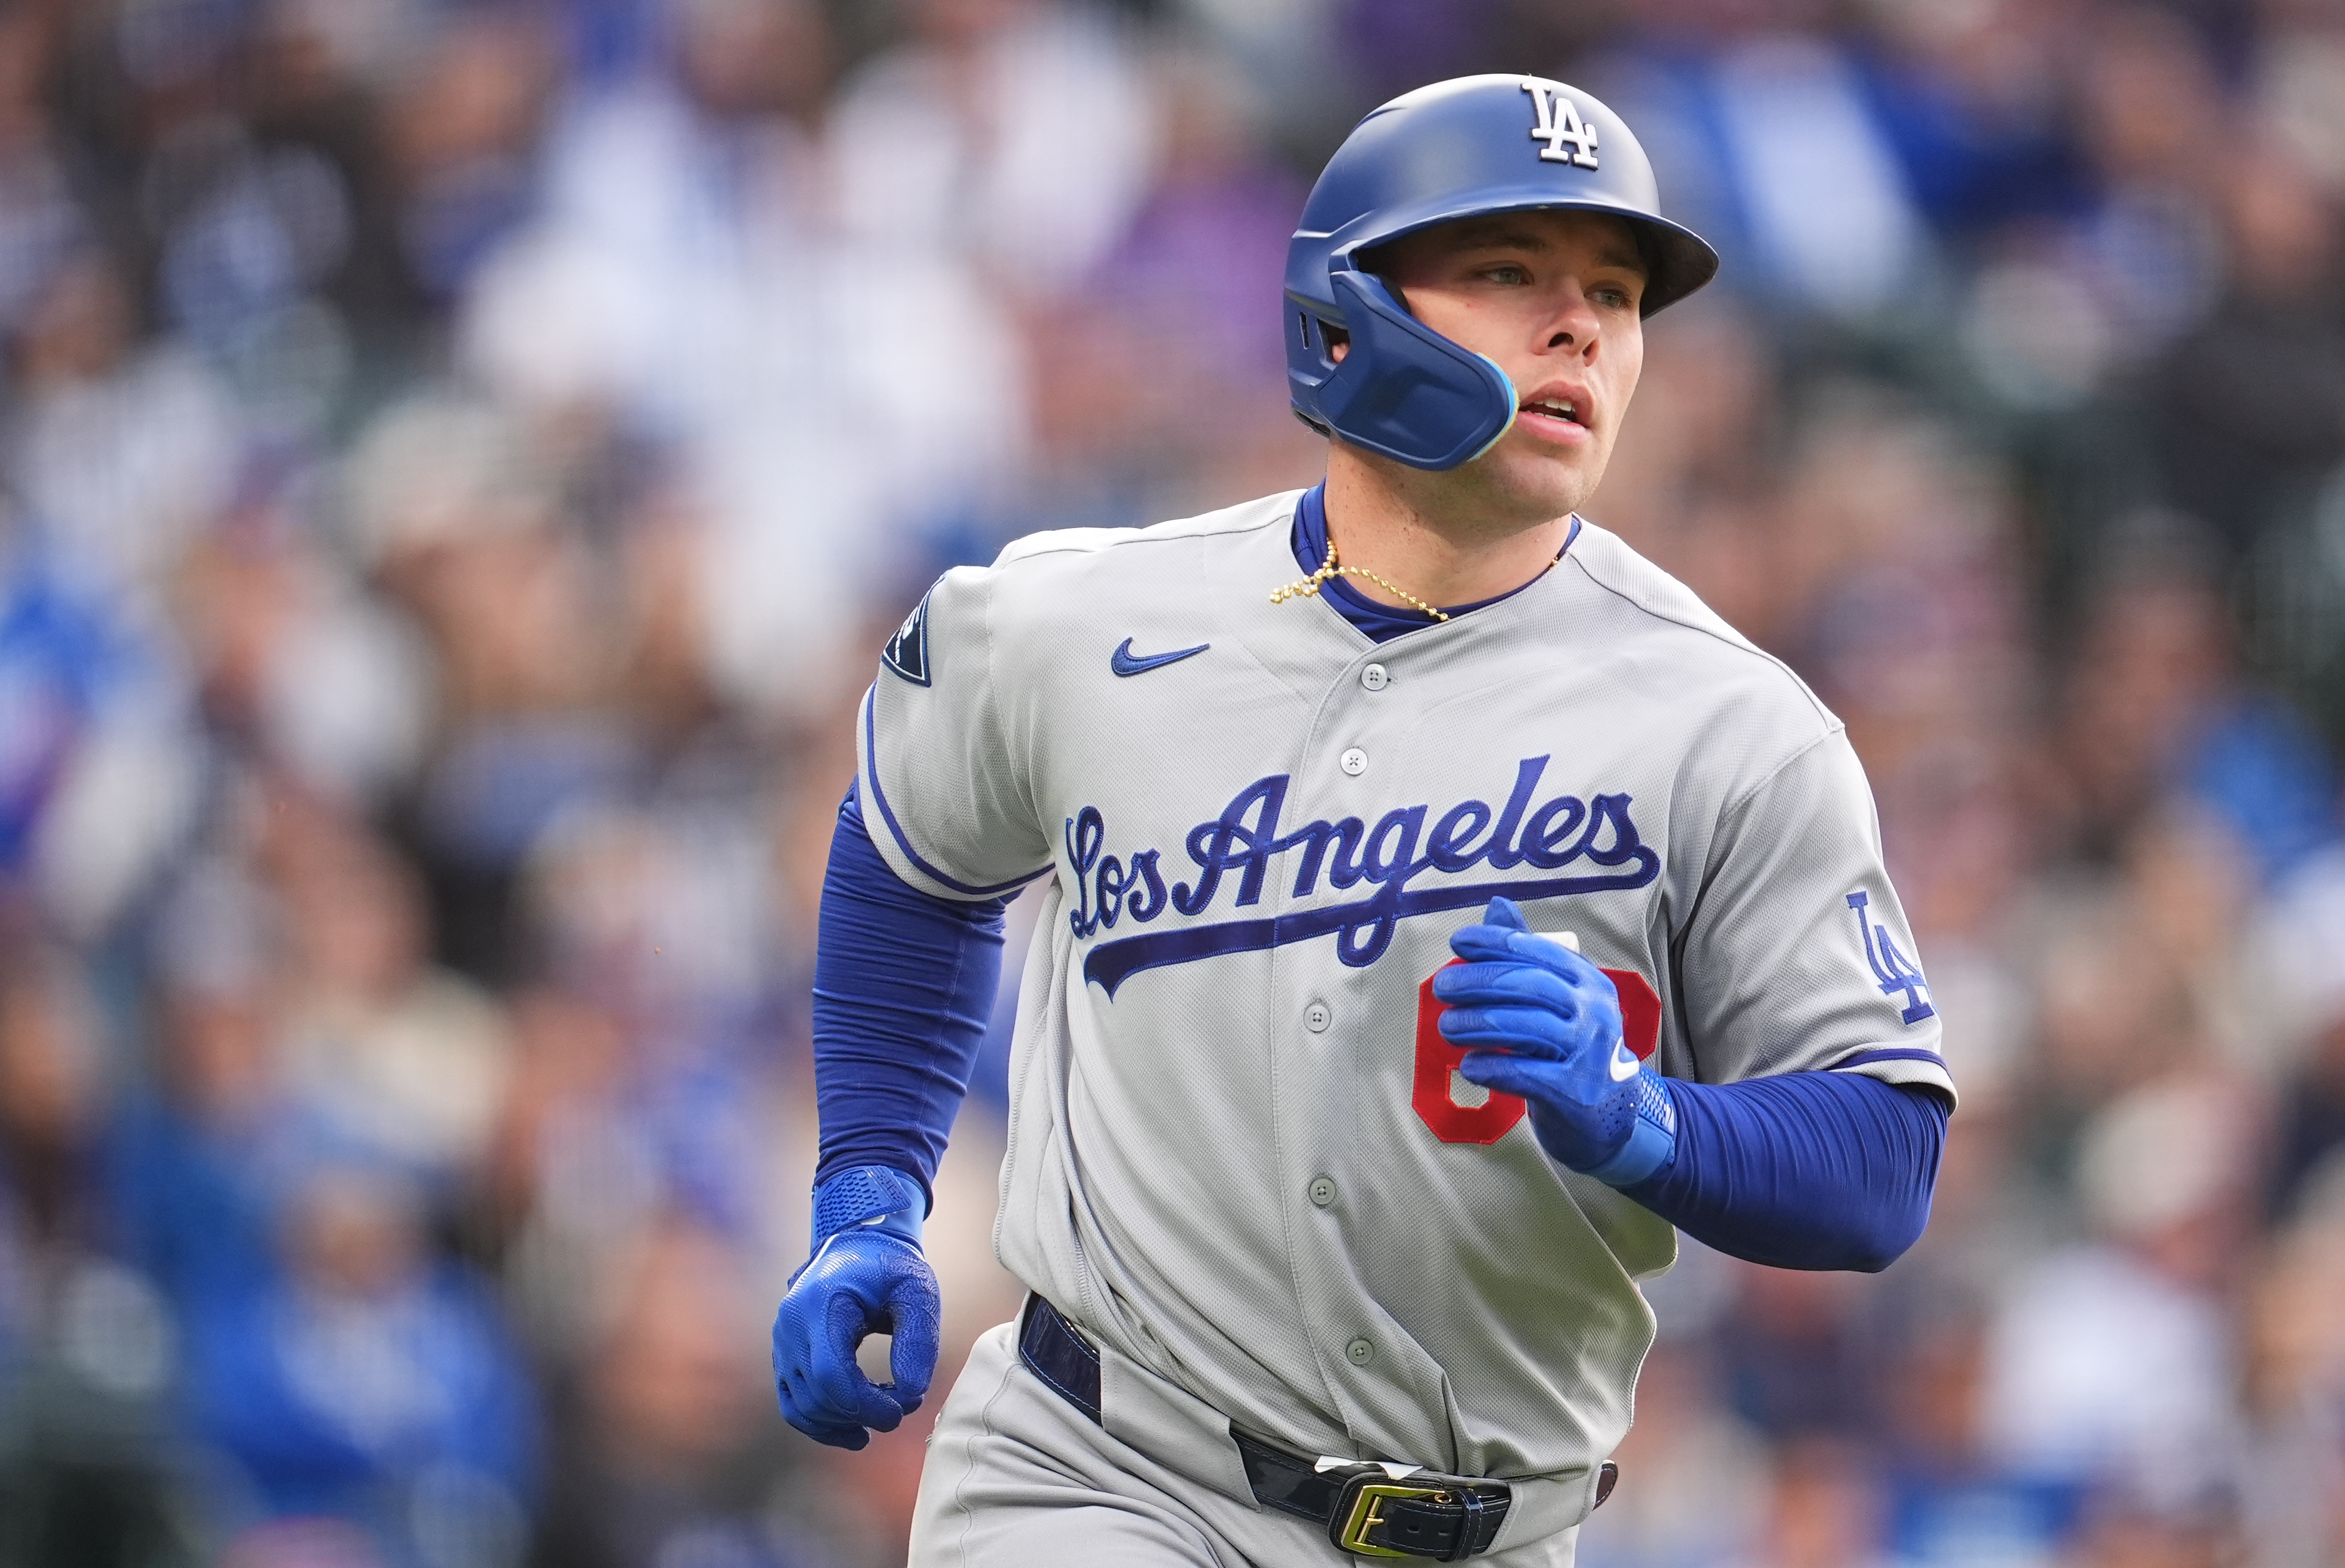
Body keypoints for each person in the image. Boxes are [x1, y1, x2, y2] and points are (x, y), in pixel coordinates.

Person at [770, 75, 1955, 1566]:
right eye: (1512, 272)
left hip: (1490, 1529)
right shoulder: (1078, 622)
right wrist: (870, 1192)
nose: (1582, 327)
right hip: (1100, 1474)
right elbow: (908, 853)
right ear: (1348, 314)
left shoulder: (1735, 726)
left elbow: (1881, 1155)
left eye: (1614, 291)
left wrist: (1651, 1121)